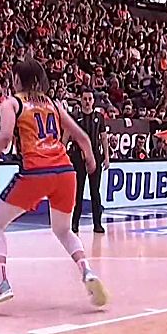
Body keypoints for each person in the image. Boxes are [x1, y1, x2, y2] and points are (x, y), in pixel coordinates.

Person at [0, 59, 108, 310]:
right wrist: (90, 158)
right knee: (64, 230)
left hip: (36, 171)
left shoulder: (12, 103)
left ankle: (0, 282)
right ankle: (87, 271)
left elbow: (5, 137)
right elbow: (82, 137)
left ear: (17, 79)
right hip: (65, 172)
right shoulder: (53, 103)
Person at [67, 89, 109, 234]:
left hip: (95, 156)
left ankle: (97, 224)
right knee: (78, 191)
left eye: (90, 99)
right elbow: (67, 135)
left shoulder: (99, 117)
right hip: (78, 156)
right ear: (81, 100)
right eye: (85, 99)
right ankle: (74, 223)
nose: (87, 102)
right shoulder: (75, 116)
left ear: (93, 101)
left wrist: (107, 157)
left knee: (95, 191)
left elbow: (104, 138)